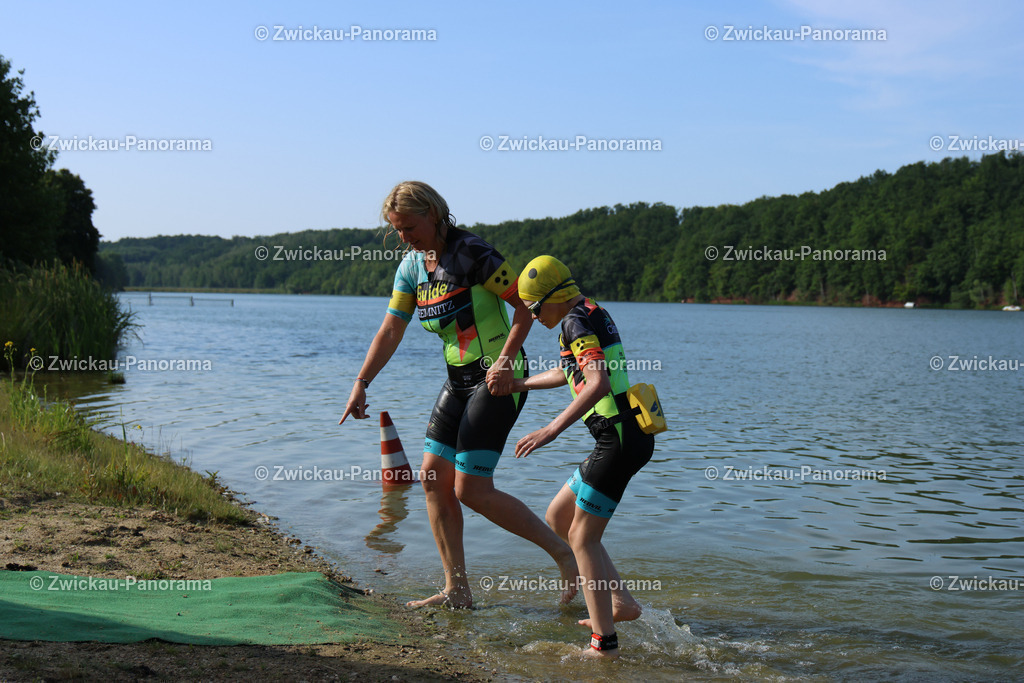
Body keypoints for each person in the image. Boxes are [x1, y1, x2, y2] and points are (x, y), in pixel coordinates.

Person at [339, 182, 577, 608]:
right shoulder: (411, 269)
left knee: (471, 489)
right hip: (458, 380)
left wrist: (505, 360)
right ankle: (457, 591)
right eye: (396, 230)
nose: (403, 237)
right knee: (433, 478)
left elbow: (524, 306)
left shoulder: (472, 252)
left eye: (409, 227)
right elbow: (392, 328)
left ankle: (564, 554)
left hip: (499, 376)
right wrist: (361, 382)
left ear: (433, 213)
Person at [488, 255, 654, 659]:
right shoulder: (590, 312)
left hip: (617, 440)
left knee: (581, 535)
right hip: (626, 435)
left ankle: (604, 644)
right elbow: (573, 373)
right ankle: (622, 604)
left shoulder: (572, 323)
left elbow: (595, 383)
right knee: (561, 516)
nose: (532, 316)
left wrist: (550, 429)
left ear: (552, 298)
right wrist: (519, 383)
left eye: (533, 308)